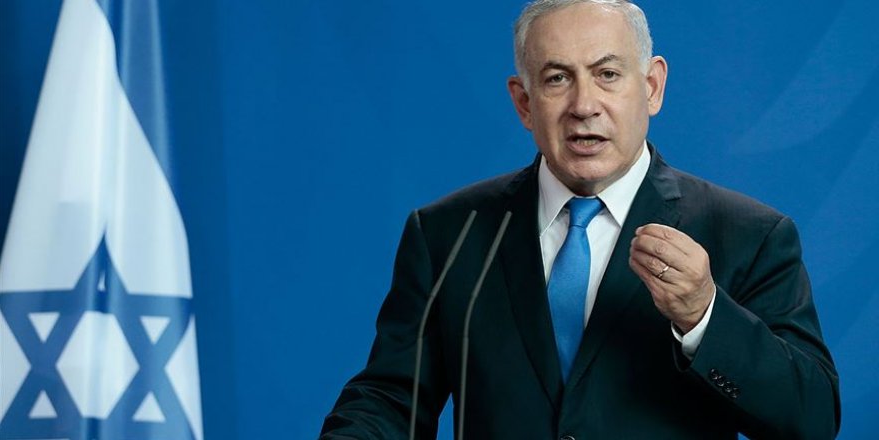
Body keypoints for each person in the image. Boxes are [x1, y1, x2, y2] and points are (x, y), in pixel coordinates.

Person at [320, 0, 840, 438]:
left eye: (607, 74)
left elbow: (811, 419)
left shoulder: (750, 235)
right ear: (524, 103)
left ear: (652, 87)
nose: (584, 105)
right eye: (557, 79)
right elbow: (392, 399)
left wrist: (704, 315)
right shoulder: (448, 234)